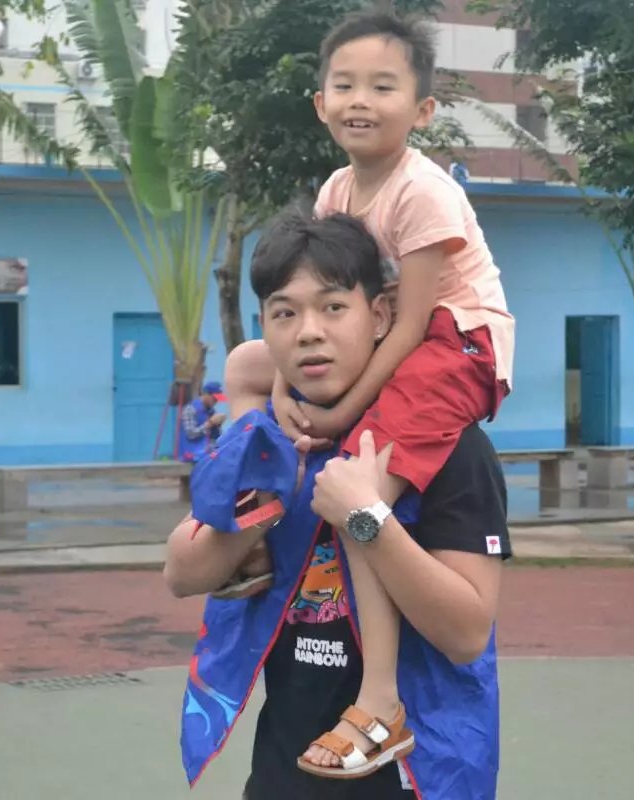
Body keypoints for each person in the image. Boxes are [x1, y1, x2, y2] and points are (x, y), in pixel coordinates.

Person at [164, 210, 510, 799]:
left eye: (332, 307)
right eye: (284, 313)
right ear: (265, 327)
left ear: (380, 317)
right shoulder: (270, 433)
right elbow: (182, 571)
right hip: (284, 777)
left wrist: (367, 519)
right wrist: (269, 498)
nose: (308, 332)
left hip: (418, 778)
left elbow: (466, 632)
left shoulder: (448, 446)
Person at [251, 10, 516, 779]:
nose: (360, 100)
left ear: (422, 109)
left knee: (361, 485)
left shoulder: (424, 193)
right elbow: (316, 294)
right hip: (397, 340)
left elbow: (409, 329)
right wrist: (282, 386)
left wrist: (336, 412)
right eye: (345, 85)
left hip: (456, 343)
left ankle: (380, 701)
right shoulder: (337, 189)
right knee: (240, 367)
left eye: (383, 86)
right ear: (320, 104)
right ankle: (243, 516)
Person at [176, 381, 226, 463]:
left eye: (218, 399)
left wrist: (218, 424)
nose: (216, 401)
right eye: (214, 398)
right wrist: (210, 423)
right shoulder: (190, 409)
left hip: (206, 452)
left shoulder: (211, 411)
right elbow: (191, 434)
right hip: (191, 453)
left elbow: (214, 438)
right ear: (205, 394)